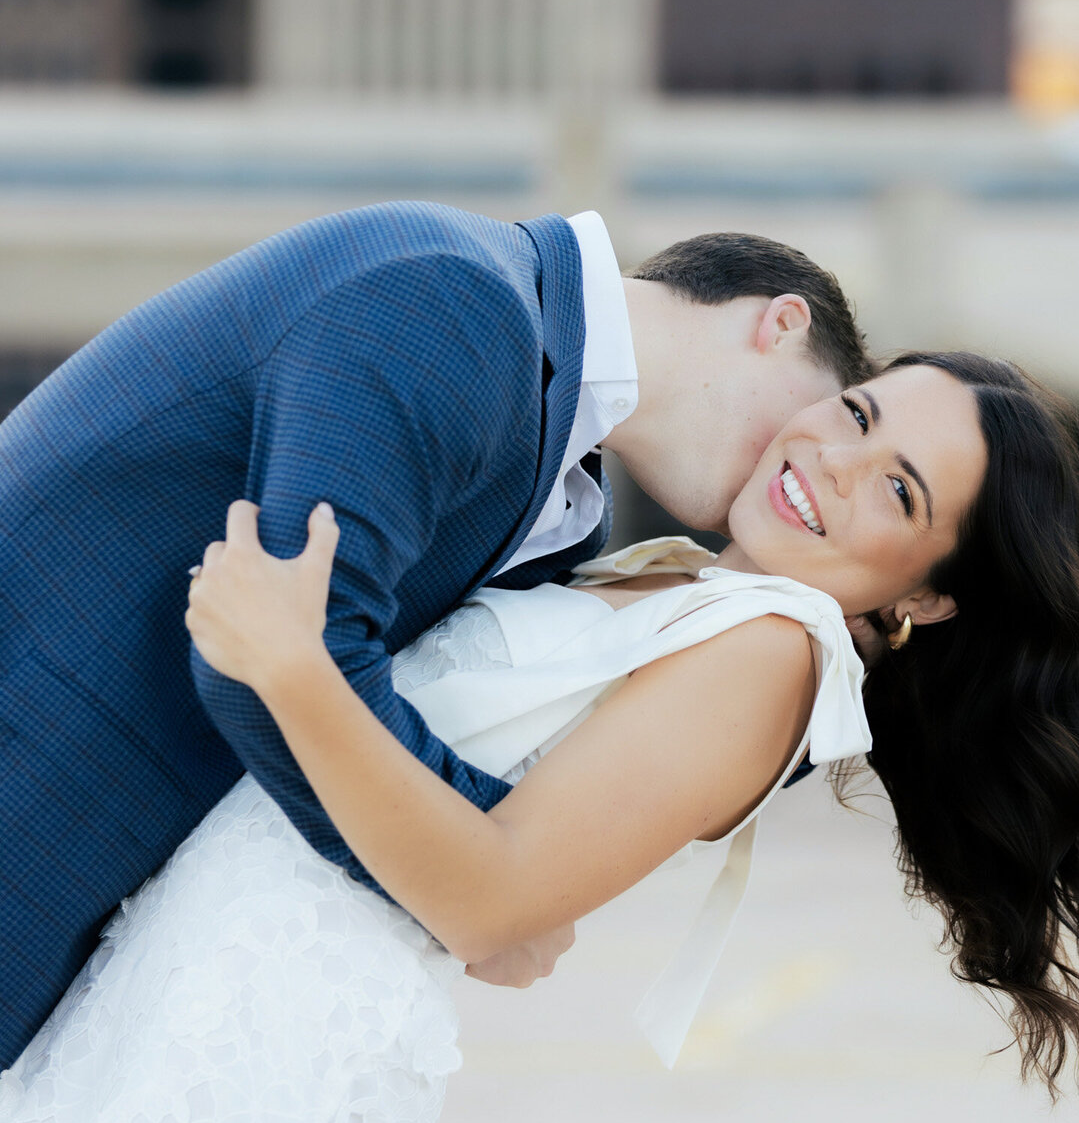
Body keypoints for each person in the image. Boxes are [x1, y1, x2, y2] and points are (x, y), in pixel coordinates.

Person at [5, 353, 1079, 1123]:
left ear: (932, 595)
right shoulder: (691, 586)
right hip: (202, 982)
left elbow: (491, 896)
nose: (834, 458)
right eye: (862, 412)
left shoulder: (773, 651)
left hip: (269, 1037)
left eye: (895, 486)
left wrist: (293, 669)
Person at [0, 205, 869, 1077]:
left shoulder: (562, 495)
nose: (795, 469)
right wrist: (484, 886)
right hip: (35, 775)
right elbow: (279, 654)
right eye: (834, 415)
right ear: (780, 323)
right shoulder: (459, 306)